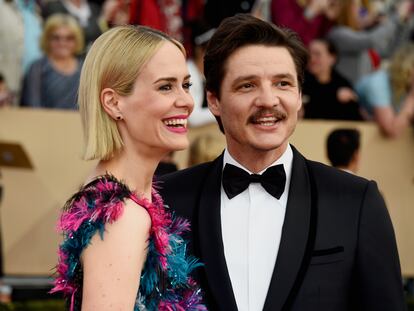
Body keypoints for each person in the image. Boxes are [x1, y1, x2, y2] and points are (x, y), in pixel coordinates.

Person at [160, 14, 405, 311]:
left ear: (299, 96)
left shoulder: (356, 201)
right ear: (214, 100)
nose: (268, 99)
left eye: (282, 83)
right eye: (247, 86)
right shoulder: (165, 200)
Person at [50, 25, 206, 310]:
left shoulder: (127, 201)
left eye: (186, 85)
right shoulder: (122, 216)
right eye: (165, 87)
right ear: (113, 102)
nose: (186, 101)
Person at [21, 14, 84, 109]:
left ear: (77, 40)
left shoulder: (85, 68)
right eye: (56, 38)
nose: (62, 43)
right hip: (43, 122)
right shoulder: (37, 68)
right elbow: (33, 105)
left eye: (69, 38)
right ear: (47, 39)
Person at [356, 43, 414, 138]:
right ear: (407, 68)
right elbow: (392, 130)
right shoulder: (378, 82)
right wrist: (412, 97)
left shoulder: (405, 85)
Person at [302, 38, 362, 120]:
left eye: (317, 54)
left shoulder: (342, 84)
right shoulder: (300, 81)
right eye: (309, 53)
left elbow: (355, 117)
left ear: (332, 58)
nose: (312, 59)